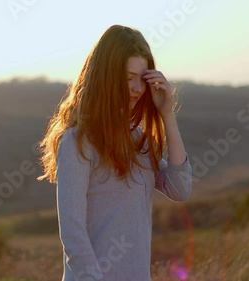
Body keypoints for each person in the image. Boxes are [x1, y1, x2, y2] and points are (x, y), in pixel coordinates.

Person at [37, 24, 193, 281]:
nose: (137, 88)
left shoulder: (138, 142)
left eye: (142, 79)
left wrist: (167, 115)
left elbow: (180, 188)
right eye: (128, 78)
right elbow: (73, 234)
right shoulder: (78, 142)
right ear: (106, 77)